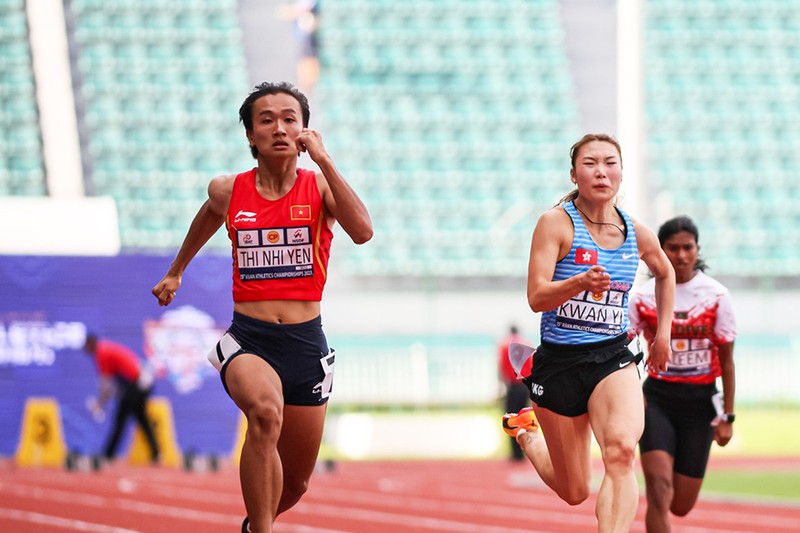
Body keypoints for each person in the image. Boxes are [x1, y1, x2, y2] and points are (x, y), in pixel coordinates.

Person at [151, 81, 372, 533]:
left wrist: (326, 160)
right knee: (265, 414)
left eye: (290, 118)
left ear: (305, 129)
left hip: (306, 344)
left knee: (296, 483)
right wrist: (177, 270)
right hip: (250, 340)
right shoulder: (229, 190)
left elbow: (363, 231)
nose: (279, 127)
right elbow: (208, 216)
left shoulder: (320, 187)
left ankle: (254, 525)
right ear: (250, 135)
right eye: (266, 119)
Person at [501, 133, 675, 533]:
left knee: (620, 451)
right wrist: (579, 282)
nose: (601, 171)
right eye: (591, 163)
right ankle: (527, 432)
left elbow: (665, 273)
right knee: (575, 489)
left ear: (621, 172)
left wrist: (662, 335)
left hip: (612, 357)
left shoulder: (637, 232)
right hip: (560, 362)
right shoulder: (556, 223)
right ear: (574, 174)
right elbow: (536, 297)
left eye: (610, 162)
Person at [628, 215, 737, 533]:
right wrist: (634, 396)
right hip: (658, 400)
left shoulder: (717, 296)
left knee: (681, 505)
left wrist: (728, 416)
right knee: (659, 492)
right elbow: (624, 352)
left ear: (697, 249)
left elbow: (727, 362)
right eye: (672, 248)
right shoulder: (643, 297)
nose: (681, 255)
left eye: (687, 247)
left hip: (701, 402)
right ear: (660, 251)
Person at [83, 334, 159, 464]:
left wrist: (100, 404)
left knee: (120, 419)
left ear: (90, 344)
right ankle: (155, 452)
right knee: (141, 418)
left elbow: (105, 385)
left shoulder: (102, 353)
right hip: (141, 383)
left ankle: (108, 454)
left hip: (137, 384)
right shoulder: (106, 348)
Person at [497, 324, 531, 461]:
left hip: (512, 386)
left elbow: (502, 367)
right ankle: (529, 450)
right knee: (526, 418)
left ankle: (515, 453)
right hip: (525, 385)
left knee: (511, 418)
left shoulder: (505, 345)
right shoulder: (527, 343)